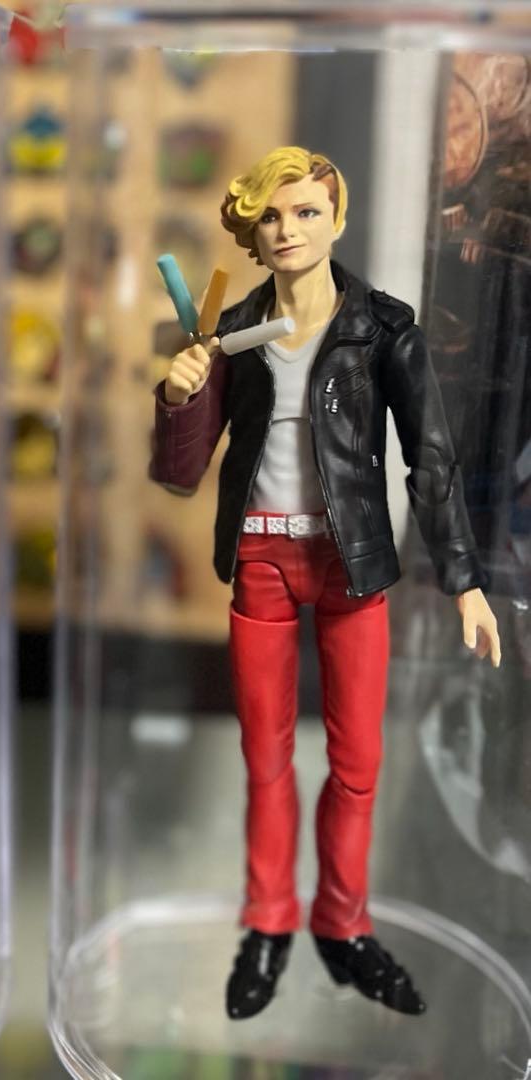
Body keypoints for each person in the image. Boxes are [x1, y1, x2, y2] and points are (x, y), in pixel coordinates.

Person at [150, 146, 501, 1020]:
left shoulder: (383, 328)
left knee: (358, 766)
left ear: (336, 220)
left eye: (306, 211)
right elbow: (181, 473)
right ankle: (269, 921)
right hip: (261, 559)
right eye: (271, 216)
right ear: (251, 231)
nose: (288, 230)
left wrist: (463, 578)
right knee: (266, 760)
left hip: (352, 562)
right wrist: (180, 393)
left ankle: (342, 924)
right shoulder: (231, 331)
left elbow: (431, 459)